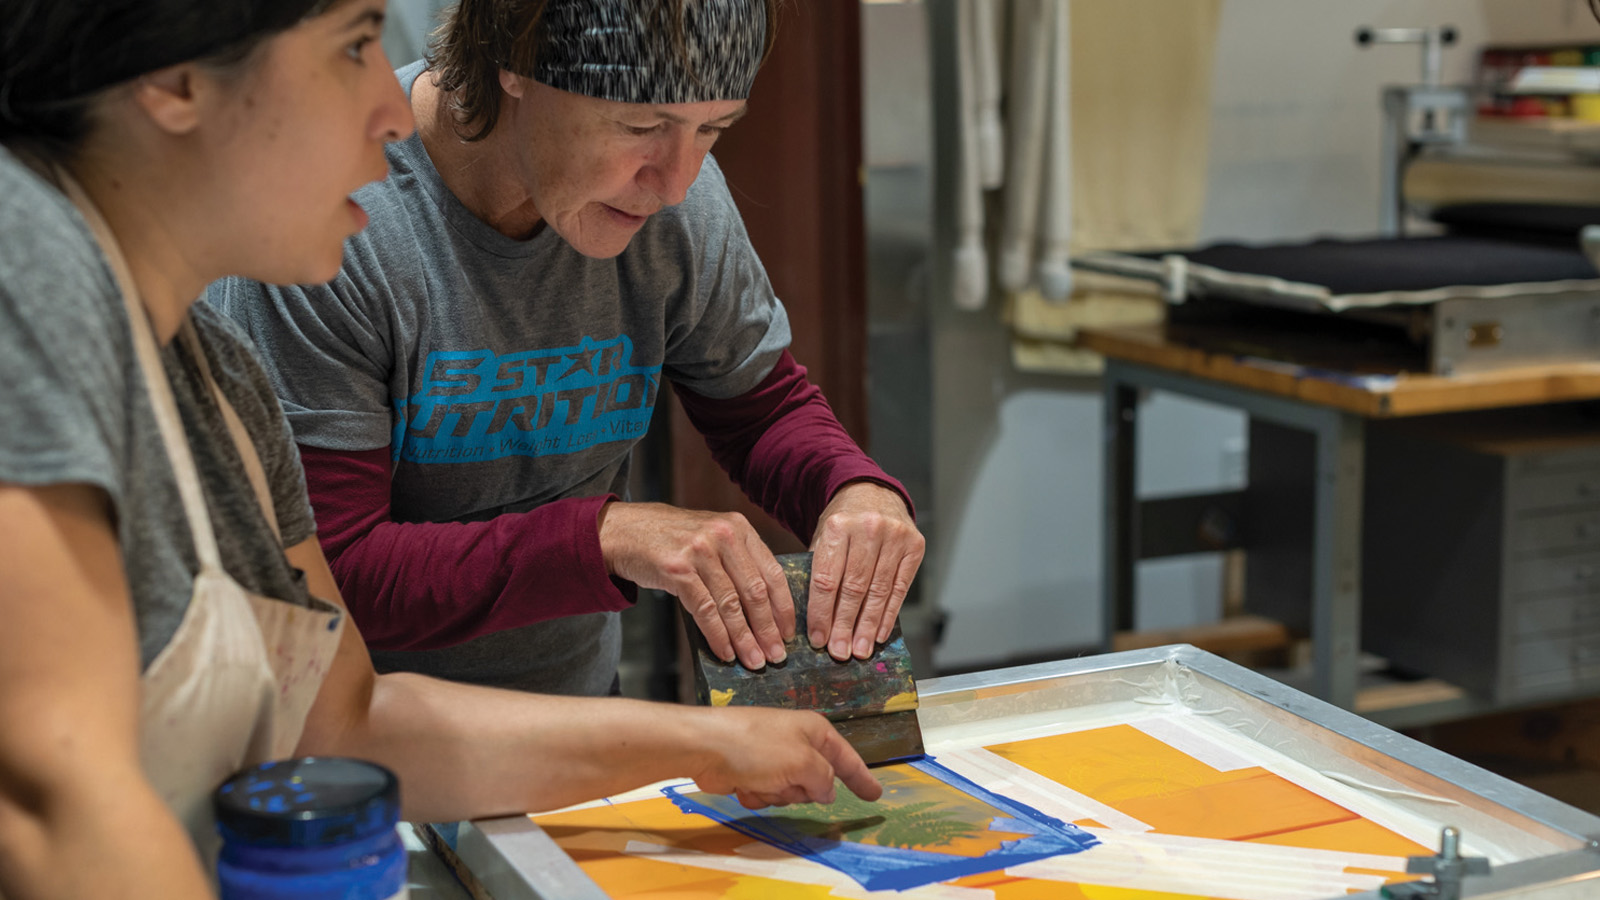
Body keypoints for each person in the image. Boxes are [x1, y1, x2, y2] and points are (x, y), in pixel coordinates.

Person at [0, 1, 881, 895]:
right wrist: (603, 540)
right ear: (175, 80)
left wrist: (708, 740)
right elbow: (57, 802)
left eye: (713, 132)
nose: (390, 111)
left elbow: (343, 721)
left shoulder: (217, 375)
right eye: (352, 48)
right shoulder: (28, 270)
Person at [210, 0, 927, 695]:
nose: (675, 184)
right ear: (512, 60)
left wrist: (849, 490)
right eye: (641, 124)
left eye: (713, 130)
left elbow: (760, 411)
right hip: (354, 749)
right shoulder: (338, 220)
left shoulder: (675, 204)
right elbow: (334, 571)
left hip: (576, 721)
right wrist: (604, 538)